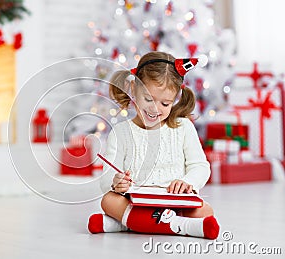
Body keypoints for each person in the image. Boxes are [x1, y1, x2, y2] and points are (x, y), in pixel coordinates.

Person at [87, 51, 219, 239]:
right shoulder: (121, 133)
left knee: (205, 211)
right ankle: (175, 225)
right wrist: (116, 183)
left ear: (175, 100)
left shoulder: (183, 127)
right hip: (135, 201)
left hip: (174, 202)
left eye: (165, 103)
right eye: (148, 99)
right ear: (133, 90)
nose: (155, 109)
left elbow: (200, 166)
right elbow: (105, 178)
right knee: (108, 201)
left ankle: (128, 224)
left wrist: (188, 182)